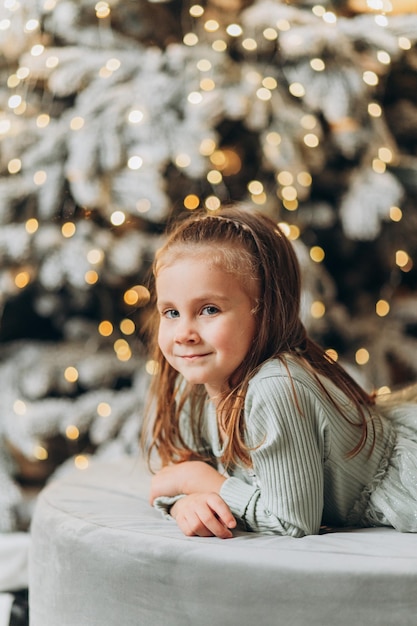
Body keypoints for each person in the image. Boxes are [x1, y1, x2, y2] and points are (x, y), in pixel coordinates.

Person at [144, 204, 417, 539]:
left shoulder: (276, 386)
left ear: (266, 312)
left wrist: (199, 482)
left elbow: (292, 521)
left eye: (209, 309)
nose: (184, 332)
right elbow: (175, 473)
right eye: (170, 312)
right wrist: (184, 502)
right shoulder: (197, 386)